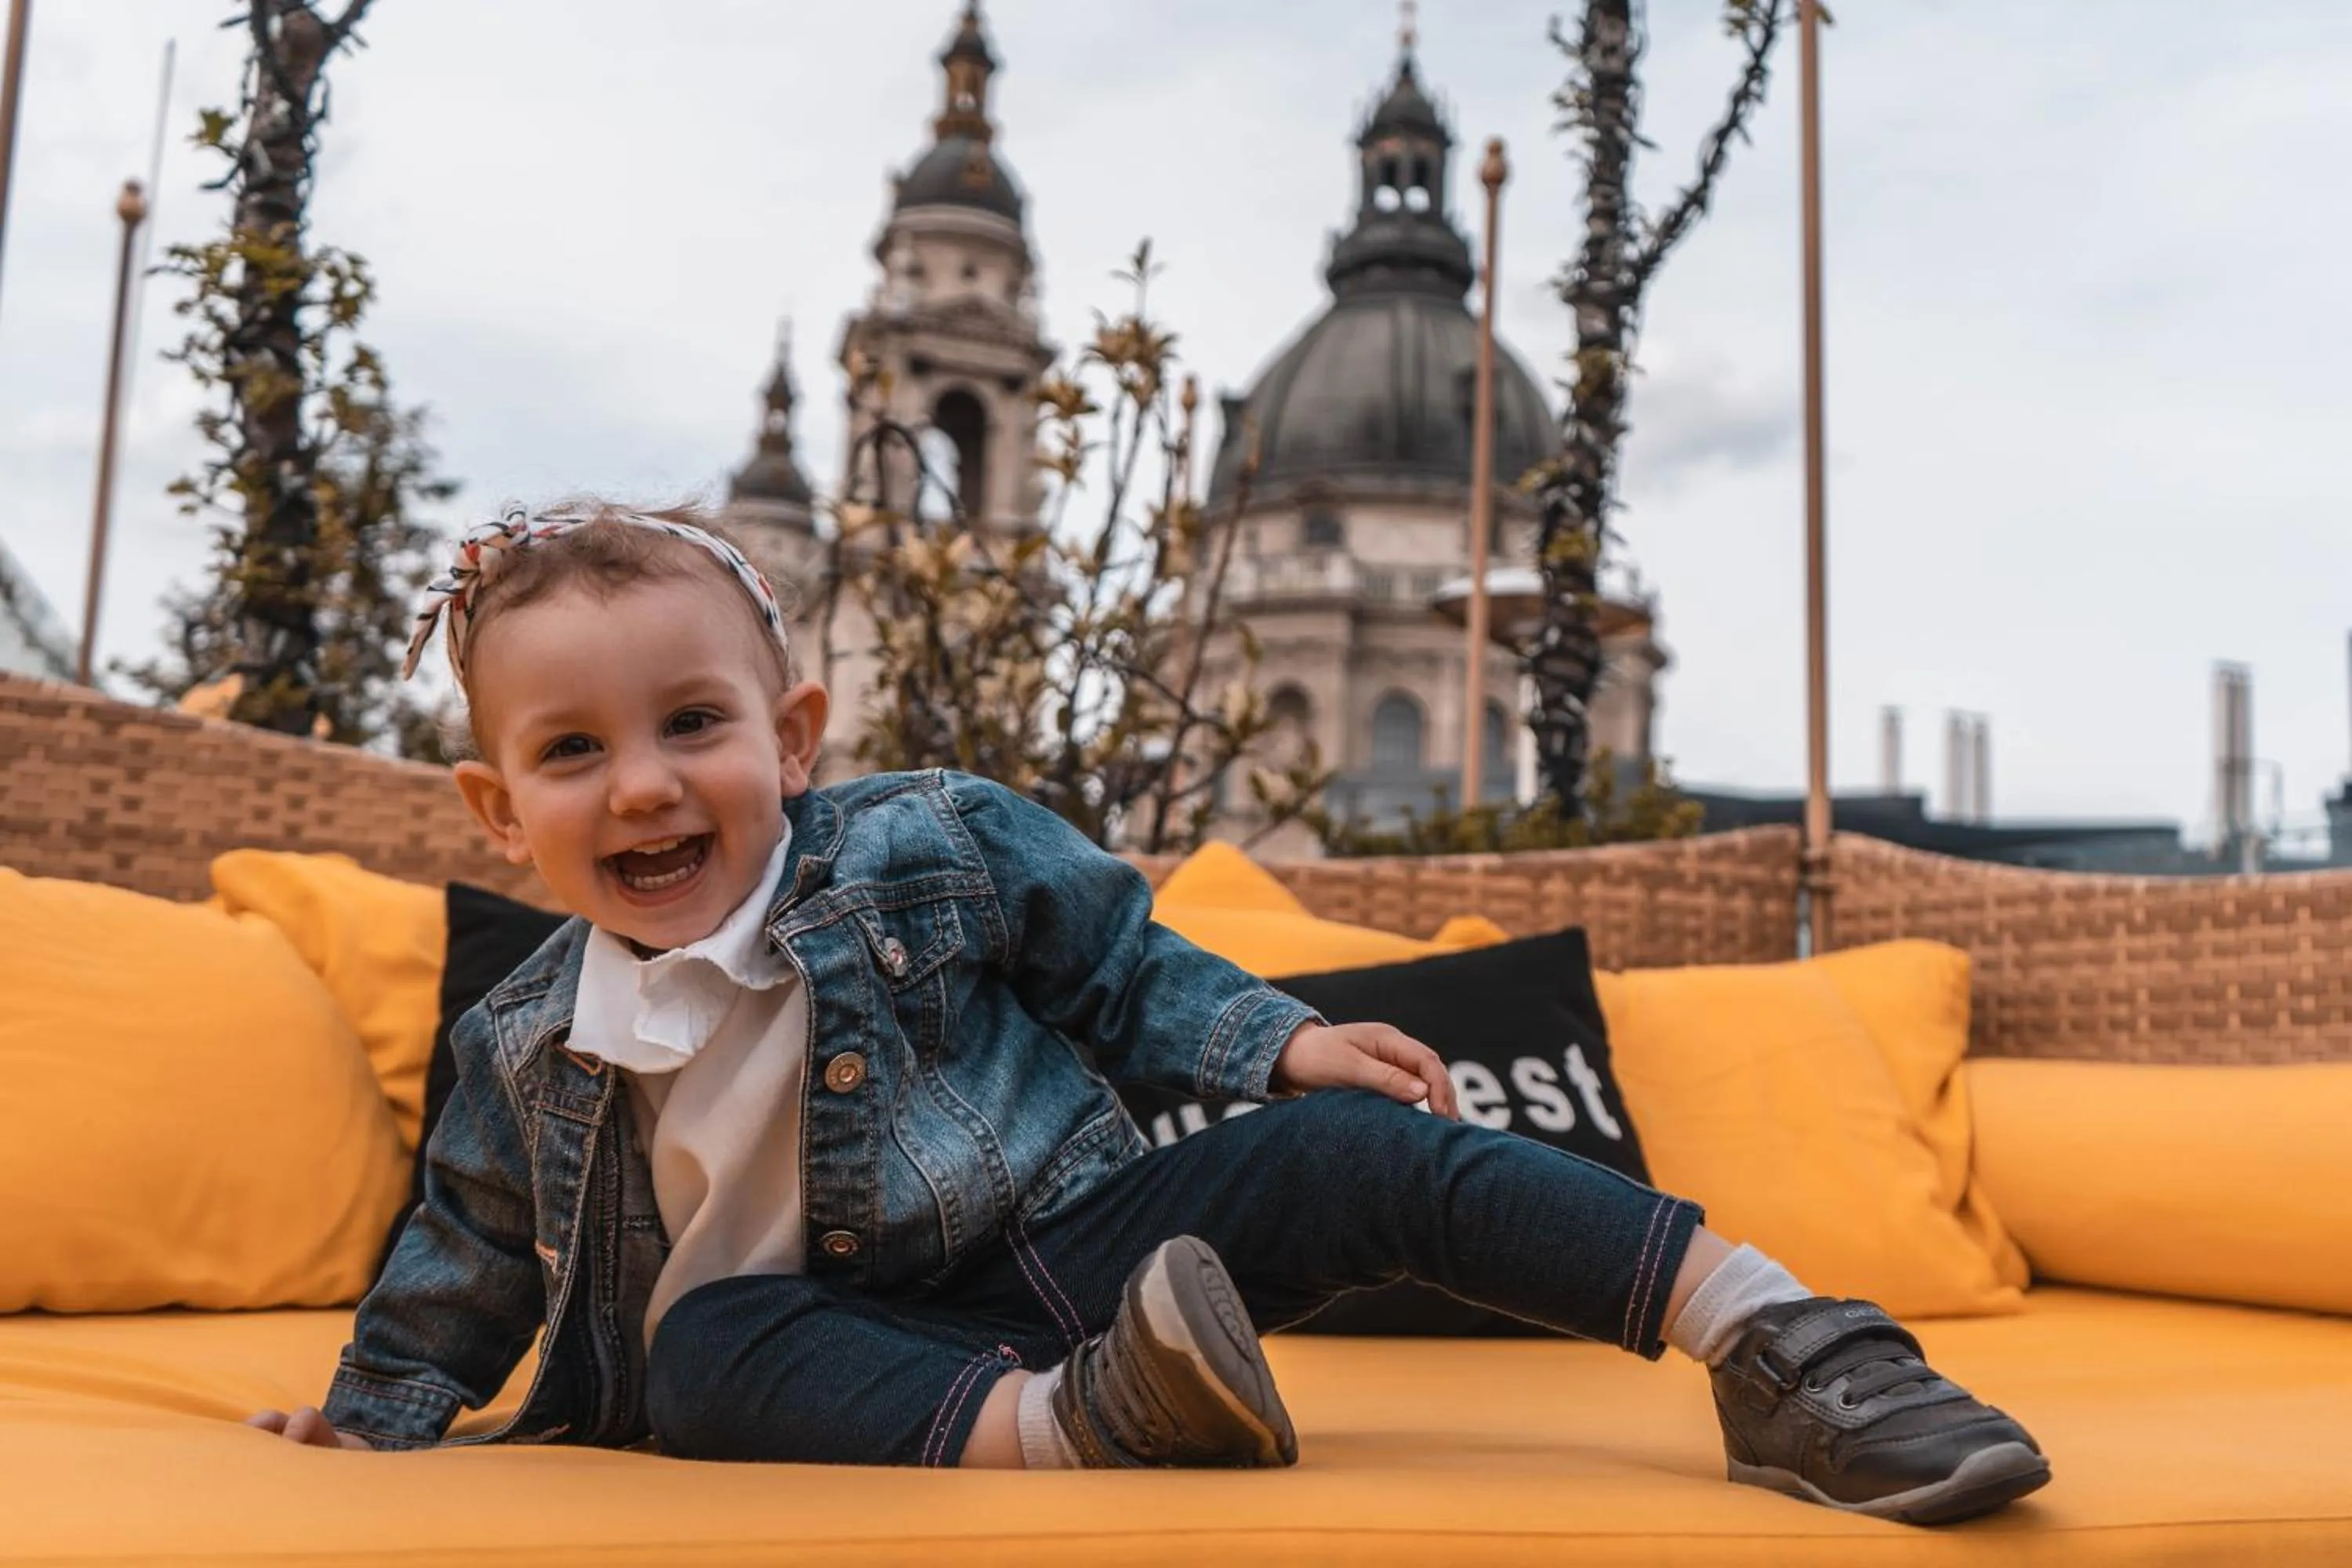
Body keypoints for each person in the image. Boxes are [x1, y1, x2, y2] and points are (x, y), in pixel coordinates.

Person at [249, 501, 2049, 1525]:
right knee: (706, 1346)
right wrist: (381, 1405)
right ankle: (1091, 1430)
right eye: (574, 751)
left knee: (1358, 1151)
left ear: (792, 740)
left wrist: (1283, 1043)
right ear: (500, 812)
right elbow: (467, 1246)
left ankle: (1781, 1338)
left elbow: (1118, 964)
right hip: (819, 1358)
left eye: (692, 725)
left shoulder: (929, 841)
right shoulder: (525, 1039)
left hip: (1061, 1254)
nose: (644, 783)